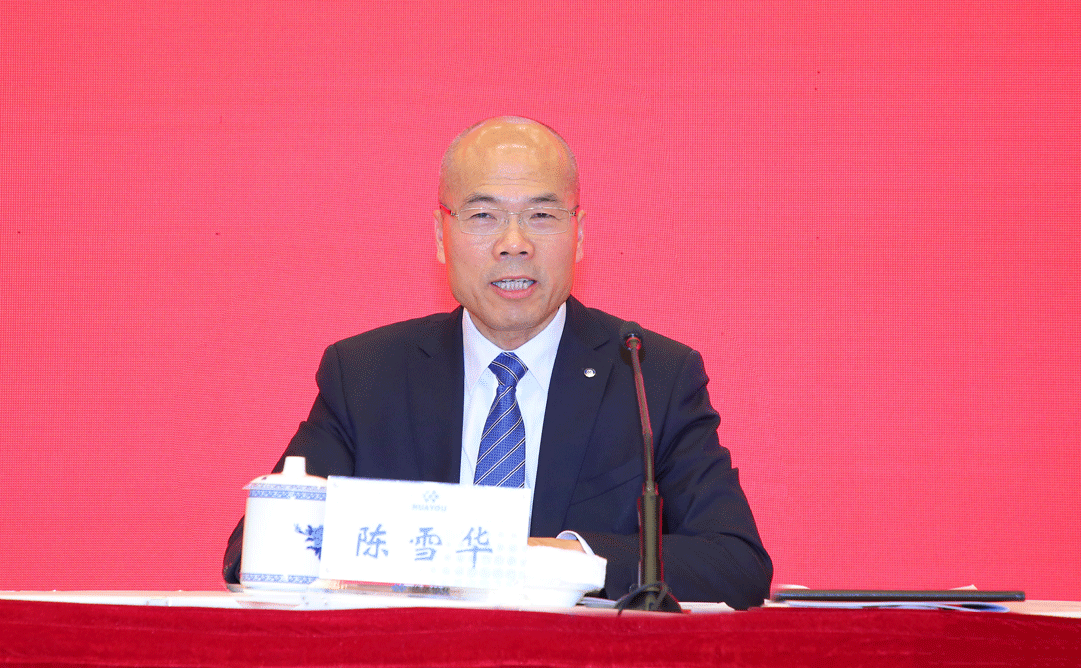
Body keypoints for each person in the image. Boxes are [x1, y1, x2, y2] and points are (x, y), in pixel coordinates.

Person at [223, 117, 771, 608]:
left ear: (579, 235)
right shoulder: (367, 374)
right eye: (483, 215)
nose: (514, 243)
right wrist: (438, 555)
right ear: (441, 236)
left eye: (542, 215)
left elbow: (736, 565)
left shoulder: (649, 375)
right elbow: (255, 549)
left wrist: (571, 560)